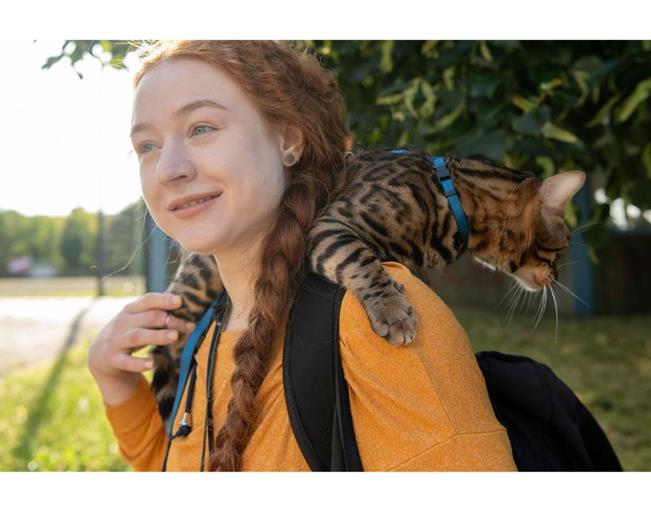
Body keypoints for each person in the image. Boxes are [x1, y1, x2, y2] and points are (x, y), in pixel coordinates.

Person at [88, 40, 517, 472]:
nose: (168, 168)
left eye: (202, 128)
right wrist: (117, 382)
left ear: (288, 139)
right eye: (147, 146)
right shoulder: (208, 327)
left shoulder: (373, 318)